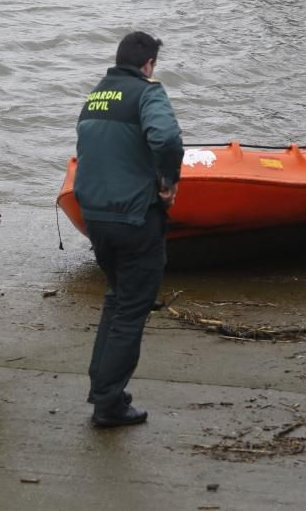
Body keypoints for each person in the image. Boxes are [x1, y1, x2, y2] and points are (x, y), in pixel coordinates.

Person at [74, 31, 184, 427]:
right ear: (149, 65)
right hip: (135, 217)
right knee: (132, 308)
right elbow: (167, 137)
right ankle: (108, 404)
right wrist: (168, 181)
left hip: (97, 218)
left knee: (117, 298)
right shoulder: (147, 93)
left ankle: (102, 388)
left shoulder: (94, 97)